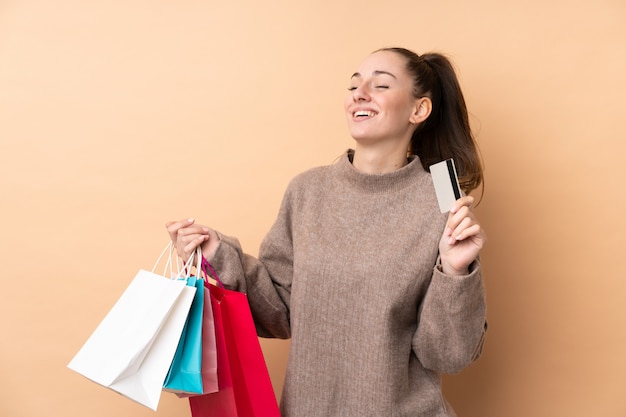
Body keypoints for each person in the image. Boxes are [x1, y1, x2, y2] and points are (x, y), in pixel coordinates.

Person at [166, 47, 487, 417]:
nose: (360, 93)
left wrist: (455, 273)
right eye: (354, 85)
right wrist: (217, 252)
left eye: (380, 84)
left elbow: (448, 355)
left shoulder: (444, 200)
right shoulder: (307, 192)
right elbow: (278, 313)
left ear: (419, 110)